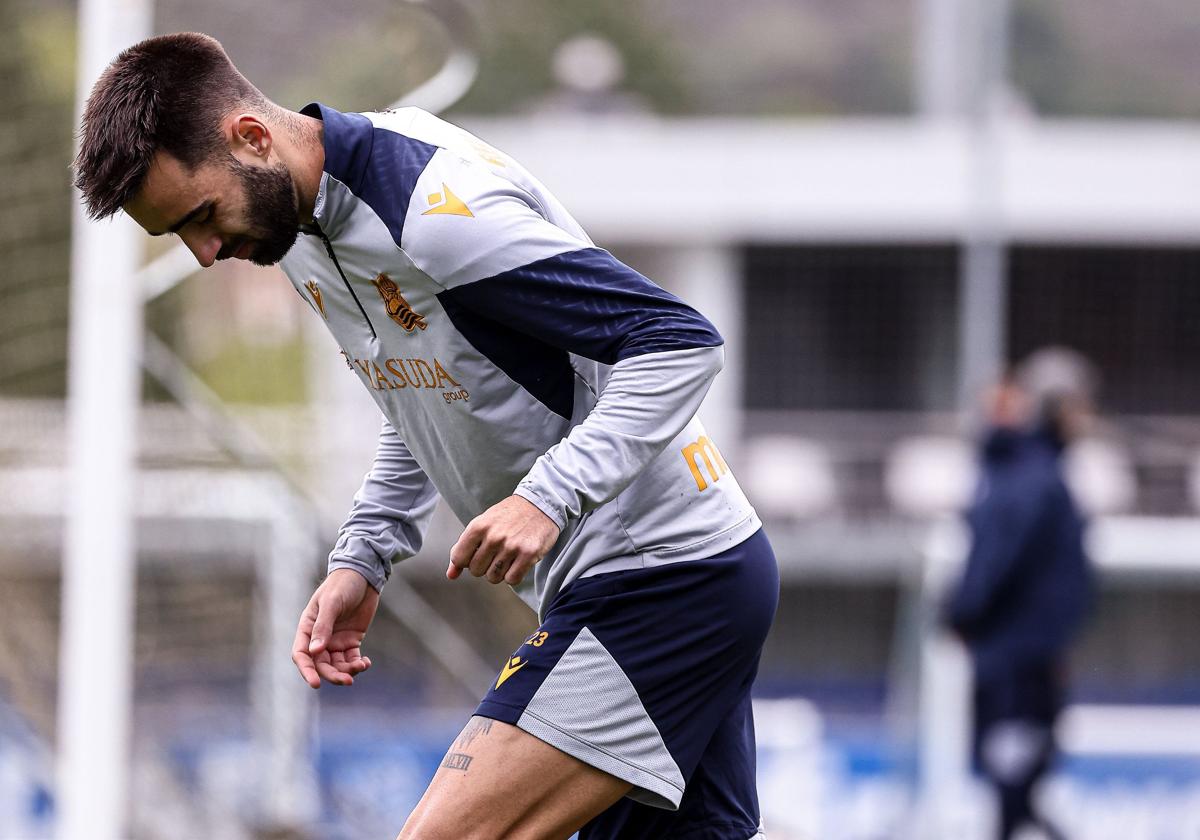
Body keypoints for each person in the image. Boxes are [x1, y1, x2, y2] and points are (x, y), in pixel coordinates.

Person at [73, 33, 778, 840]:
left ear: (252, 137)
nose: (205, 254)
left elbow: (678, 341)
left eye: (201, 216)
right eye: (179, 236)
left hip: (664, 576)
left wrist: (547, 497)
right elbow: (427, 389)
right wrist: (365, 554)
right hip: (668, 577)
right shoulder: (296, 231)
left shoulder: (437, 216)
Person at [943, 348, 1098, 840]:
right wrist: (964, 613)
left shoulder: (1030, 473)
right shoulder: (1034, 479)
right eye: (1079, 405)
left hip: (1023, 656)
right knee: (1014, 787)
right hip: (1017, 662)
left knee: (1020, 792)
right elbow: (996, 561)